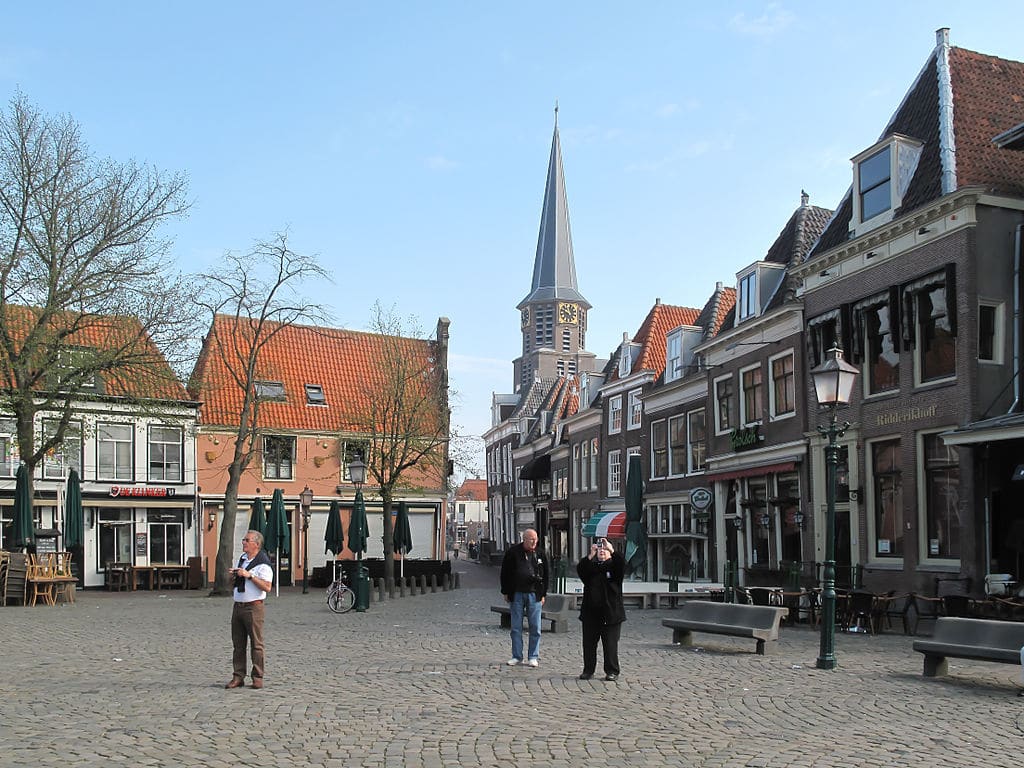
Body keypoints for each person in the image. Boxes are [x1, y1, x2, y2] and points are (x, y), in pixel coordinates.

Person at [226, 530, 274, 689]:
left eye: (247, 540)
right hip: (238, 605)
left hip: (254, 607)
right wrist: (235, 575)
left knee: (256, 644)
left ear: (256, 543)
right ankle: (238, 676)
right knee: (238, 644)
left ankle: (258, 676)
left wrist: (250, 576)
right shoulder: (243, 559)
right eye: (243, 539)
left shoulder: (263, 563)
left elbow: (267, 587)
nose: (243, 542)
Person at [576, 537, 625, 681]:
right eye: (599, 549)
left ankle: (612, 671)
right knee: (589, 644)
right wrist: (590, 555)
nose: (601, 551)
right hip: (591, 613)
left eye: (604, 549)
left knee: (610, 645)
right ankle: (588, 670)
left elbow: (622, 564)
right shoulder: (591, 568)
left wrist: (612, 550)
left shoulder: (614, 568)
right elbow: (581, 570)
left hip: (611, 614)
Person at [500, 528, 547, 667]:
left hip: (534, 594)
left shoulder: (540, 554)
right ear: (524, 539)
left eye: (535, 539)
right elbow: (505, 573)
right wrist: (506, 591)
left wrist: (543, 593)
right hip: (517, 593)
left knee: (535, 627)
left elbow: (546, 574)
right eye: (531, 539)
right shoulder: (512, 553)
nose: (534, 542)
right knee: (516, 627)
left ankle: (533, 656)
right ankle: (517, 656)